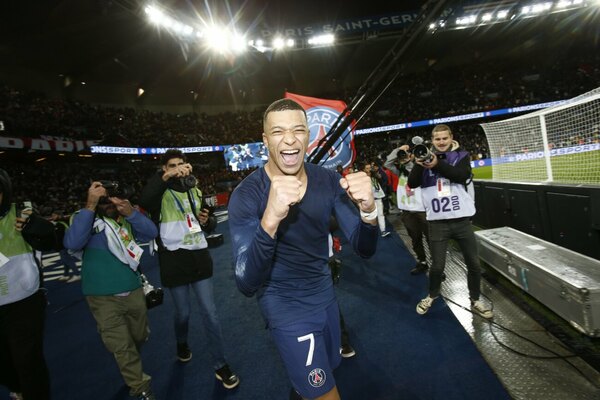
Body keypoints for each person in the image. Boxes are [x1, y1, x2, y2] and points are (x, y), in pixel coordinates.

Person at [228, 98, 378, 400]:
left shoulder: (328, 180)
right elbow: (246, 283)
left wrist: (369, 210)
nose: (290, 139)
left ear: (308, 136)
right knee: (325, 394)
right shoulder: (246, 195)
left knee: (317, 380)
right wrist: (270, 219)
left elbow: (364, 249)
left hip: (325, 296)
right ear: (265, 140)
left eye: (298, 130)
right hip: (284, 305)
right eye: (279, 132)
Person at [138, 149, 239, 389]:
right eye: (171, 166)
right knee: (183, 314)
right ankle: (181, 343)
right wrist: (166, 177)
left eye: (180, 164)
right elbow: (143, 201)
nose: (177, 169)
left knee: (210, 314)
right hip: (173, 260)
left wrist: (207, 221)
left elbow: (205, 221)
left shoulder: (194, 187)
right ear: (164, 169)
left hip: (199, 257)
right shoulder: (159, 192)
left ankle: (220, 365)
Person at [63, 181, 158, 400]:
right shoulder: (84, 218)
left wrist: (131, 213)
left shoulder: (126, 219)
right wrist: (90, 205)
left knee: (139, 336)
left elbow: (151, 232)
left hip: (133, 289)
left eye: (110, 199)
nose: (109, 204)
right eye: (103, 200)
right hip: (101, 296)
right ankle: (140, 385)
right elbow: (73, 242)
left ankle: (130, 365)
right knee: (121, 344)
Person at [407, 124, 493, 319]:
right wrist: (420, 163)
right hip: (438, 224)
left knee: (474, 264)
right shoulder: (424, 158)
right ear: (432, 140)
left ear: (451, 137)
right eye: (437, 139)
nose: (441, 142)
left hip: (462, 221)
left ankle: (476, 299)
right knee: (437, 266)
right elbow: (412, 183)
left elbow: (461, 176)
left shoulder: (461, 156)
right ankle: (431, 295)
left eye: (444, 138)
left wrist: (437, 164)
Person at [0, 169, 55, 400]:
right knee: (3, 362)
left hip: (25, 303)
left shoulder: (22, 213)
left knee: (28, 361)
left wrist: (39, 228)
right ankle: (17, 387)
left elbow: (51, 240)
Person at [385, 144, 430, 275]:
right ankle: (422, 262)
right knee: (415, 240)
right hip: (407, 212)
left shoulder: (421, 168)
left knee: (430, 239)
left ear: (412, 155)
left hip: (423, 210)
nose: (403, 158)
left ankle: (437, 266)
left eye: (406, 155)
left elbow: (416, 170)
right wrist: (398, 150)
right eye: (401, 157)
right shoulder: (399, 171)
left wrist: (410, 160)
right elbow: (388, 163)